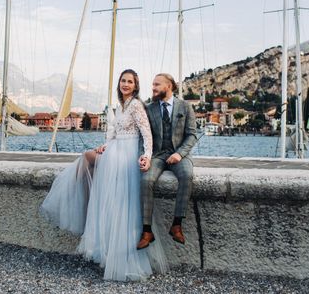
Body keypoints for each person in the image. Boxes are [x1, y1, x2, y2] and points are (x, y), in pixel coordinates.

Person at [41, 69, 168, 281]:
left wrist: (146, 156)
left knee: (121, 207)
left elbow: (146, 134)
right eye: (123, 81)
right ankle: (88, 213)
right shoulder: (120, 106)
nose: (125, 84)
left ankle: (122, 259)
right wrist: (104, 146)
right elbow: (114, 135)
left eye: (129, 82)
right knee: (89, 163)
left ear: (135, 86)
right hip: (114, 152)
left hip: (126, 158)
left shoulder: (136, 105)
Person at [137, 73, 198, 250]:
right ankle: (147, 231)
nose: (153, 88)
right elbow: (144, 136)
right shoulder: (149, 108)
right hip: (157, 155)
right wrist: (145, 156)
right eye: (153, 84)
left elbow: (192, 135)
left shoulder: (185, 107)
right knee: (146, 180)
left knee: (187, 175)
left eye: (157, 84)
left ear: (169, 86)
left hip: (179, 154)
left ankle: (177, 224)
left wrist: (179, 154)